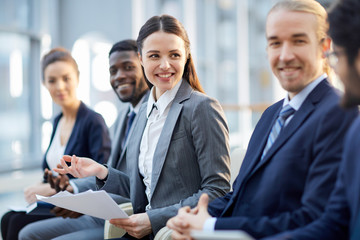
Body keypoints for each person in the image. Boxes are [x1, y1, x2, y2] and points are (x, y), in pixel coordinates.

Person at [166, 0, 359, 239]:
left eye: (299, 41)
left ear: (325, 46)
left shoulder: (340, 113)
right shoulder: (271, 114)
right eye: (275, 43)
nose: (285, 55)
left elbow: (314, 218)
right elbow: (240, 195)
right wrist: (193, 217)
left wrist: (210, 227)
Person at [53, 14, 231, 240]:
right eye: (154, 56)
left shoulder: (202, 108)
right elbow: (144, 188)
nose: (165, 65)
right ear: (141, 59)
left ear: (186, 57)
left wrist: (153, 219)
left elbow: (217, 192)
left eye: (174, 55)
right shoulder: (144, 112)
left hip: (175, 233)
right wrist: (101, 171)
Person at [18, 39, 150, 240]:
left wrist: (69, 190)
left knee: (21, 226)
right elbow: (110, 172)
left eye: (129, 67)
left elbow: (109, 173)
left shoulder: (96, 120)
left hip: (118, 210)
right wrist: (61, 188)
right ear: (44, 84)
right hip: (91, 204)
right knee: (18, 226)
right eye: (113, 71)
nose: (119, 75)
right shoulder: (124, 116)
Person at [262, 0, 360, 239]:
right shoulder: (357, 130)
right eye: (275, 42)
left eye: (337, 55)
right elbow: (333, 221)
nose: (334, 68)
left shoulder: (343, 116)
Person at [0, 47, 111, 240]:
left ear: (77, 78)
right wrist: (37, 187)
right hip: (57, 202)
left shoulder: (93, 121)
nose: (59, 86)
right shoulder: (57, 121)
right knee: (8, 218)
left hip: (79, 207)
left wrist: (52, 189)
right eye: (52, 80)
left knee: (15, 222)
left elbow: (102, 178)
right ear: (44, 83)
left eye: (66, 78)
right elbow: (50, 173)